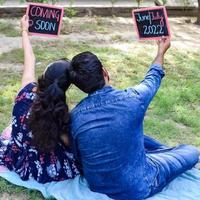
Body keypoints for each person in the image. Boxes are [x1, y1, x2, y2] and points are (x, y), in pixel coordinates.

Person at [69, 39, 200, 199]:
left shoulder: (75, 116)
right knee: (191, 152)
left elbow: (78, 156)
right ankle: (163, 153)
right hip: (140, 185)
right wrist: (161, 51)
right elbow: (153, 77)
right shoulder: (132, 99)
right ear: (105, 72)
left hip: (98, 185)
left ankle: (159, 152)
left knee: (128, 134)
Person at [0, 15, 79, 183]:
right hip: (42, 166)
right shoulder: (58, 111)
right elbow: (68, 143)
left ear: (44, 75)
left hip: (17, 156)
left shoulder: (25, 90)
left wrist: (24, 30)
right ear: (66, 87)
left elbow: (30, 58)